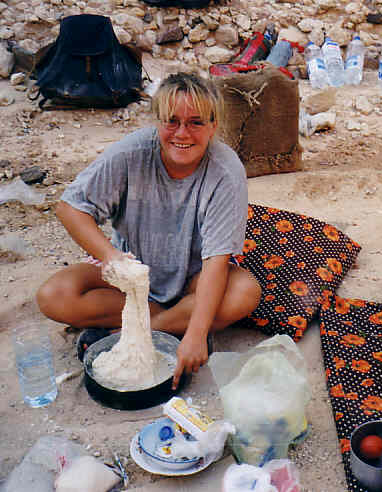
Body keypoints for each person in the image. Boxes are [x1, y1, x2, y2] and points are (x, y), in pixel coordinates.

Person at [36, 72, 262, 389]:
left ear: (213, 126)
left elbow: (216, 261)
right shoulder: (130, 154)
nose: (182, 133)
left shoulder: (225, 171)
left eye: (196, 123)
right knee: (53, 296)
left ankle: (143, 331)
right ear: (157, 121)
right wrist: (113, 258)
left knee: (244, 292)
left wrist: (197, 334)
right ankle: (170, 324)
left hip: (193, 282)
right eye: (172, 121)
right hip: (131, 276)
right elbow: (70, 208)